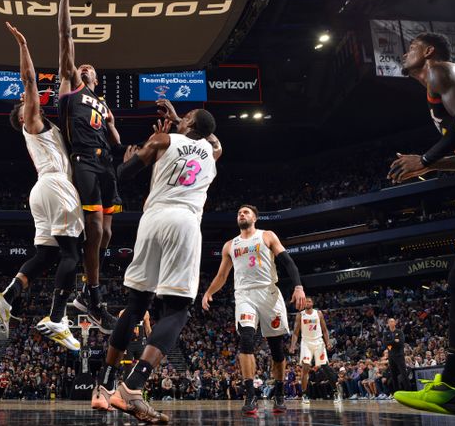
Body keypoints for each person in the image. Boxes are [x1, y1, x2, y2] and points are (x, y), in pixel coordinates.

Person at [90, 101, 221, 424]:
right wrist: (183, 120)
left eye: (184, 117)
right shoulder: (212, 151)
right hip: (185, 223)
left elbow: (124, 174)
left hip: (152, 221)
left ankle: (104, 386)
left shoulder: (163, 141)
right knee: (177, 309)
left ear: (189, 122)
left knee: (135, 306)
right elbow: (214, 140)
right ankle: (133, 386)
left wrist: (129, 159)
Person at [388, 32, 455, 416]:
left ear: (428, 52)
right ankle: (452, 385)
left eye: (411, 46)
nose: (403, 52)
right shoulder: (440, 84)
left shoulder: (441, 71)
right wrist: (426, 164)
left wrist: (425, 160)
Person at [0, 23, 84, 351]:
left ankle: (7, 297)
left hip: (42, 190)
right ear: (24, 115)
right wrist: (24, 44)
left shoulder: (47, 129)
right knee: (72, 252)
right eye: (27, 104)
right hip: (56, 186)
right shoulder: (32, 122)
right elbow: (28, 80)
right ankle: (58, 316)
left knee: (45, 254)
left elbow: (62, 77)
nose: (31, 102)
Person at [53, 0, 122, 333]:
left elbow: (116, 139)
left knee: (107, 234)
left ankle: (85, 288)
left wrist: (113, 130)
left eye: (90, 69)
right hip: (84, 161)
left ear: (97, 78)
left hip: (107, 163)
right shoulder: (71, 87)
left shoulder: (103, 103)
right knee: (94, 228)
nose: (85, 68)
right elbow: (65, 38)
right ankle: (92, 295)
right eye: (83, 67)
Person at [202, 205, 306, 415]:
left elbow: (287, 262)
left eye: (246, 212)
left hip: (268, 293)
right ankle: (250, 395)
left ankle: (279, 393)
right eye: (239, 213)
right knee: (246, 340)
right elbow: (222, 276)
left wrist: (298, 286)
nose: (242, 214)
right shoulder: (230, 245)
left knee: (277, 349)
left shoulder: (266, 236)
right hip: (244, 295)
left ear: (255, 218)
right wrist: (208, 292)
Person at [289, 297, 337, 404]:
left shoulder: (318, 313)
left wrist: (327, 342)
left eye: (309, 301)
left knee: (325, 367)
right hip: (306, 342)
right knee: (305, 367)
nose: (307, 303)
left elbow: (324, 330)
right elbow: (296, 332)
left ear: (313, 303)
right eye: (305, 301)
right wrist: (293, 345)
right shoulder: (300, 315)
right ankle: (305, 394)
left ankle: (335, 391)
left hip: (319, 342)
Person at [382, 318, 410, 393]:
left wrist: (390, 343)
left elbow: (401, 343)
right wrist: (394, 341)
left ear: (395, 323)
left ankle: (408, 391)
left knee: (403, 373)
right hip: (391, 356)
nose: (391, 323)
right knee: (393, 375)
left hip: (399, 355)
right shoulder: (386, 333)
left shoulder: (399, 332)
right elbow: (385, 344)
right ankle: (396, 392)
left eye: (392, 321)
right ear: (388, 324)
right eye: (390, 322)